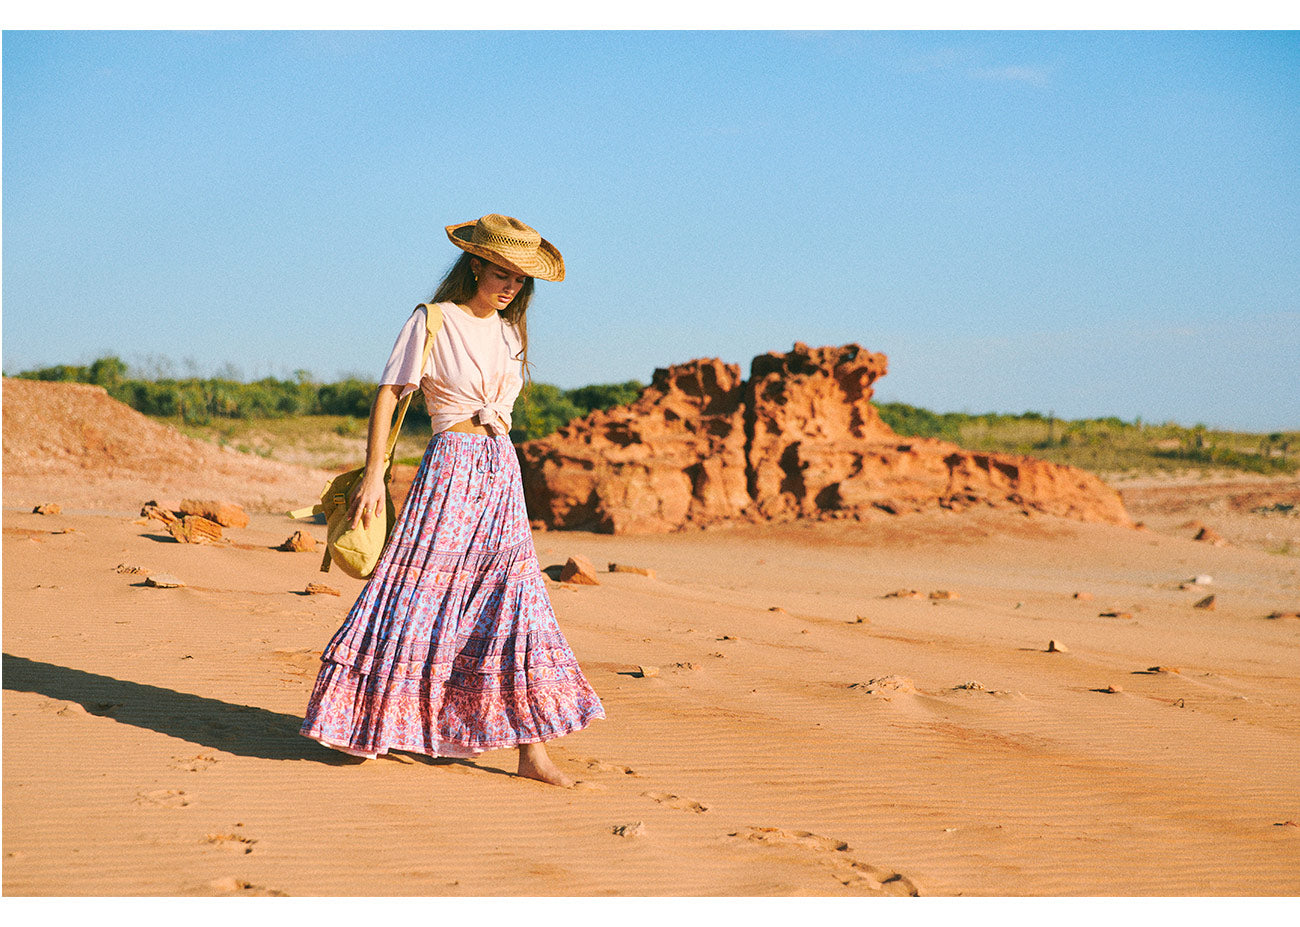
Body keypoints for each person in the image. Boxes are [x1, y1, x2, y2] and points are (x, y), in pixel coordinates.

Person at [300, 214, 604, 787]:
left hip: (500, 470)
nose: (511, 285)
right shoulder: (432, 320)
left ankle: (531, 750)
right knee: (415, 591)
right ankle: (371, 720)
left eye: (520, 278)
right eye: (502, 272)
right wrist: (372, 475)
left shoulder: (513, 334)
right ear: (475, 265)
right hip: (450, 466)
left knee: (516, 600)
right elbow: (391, 394)